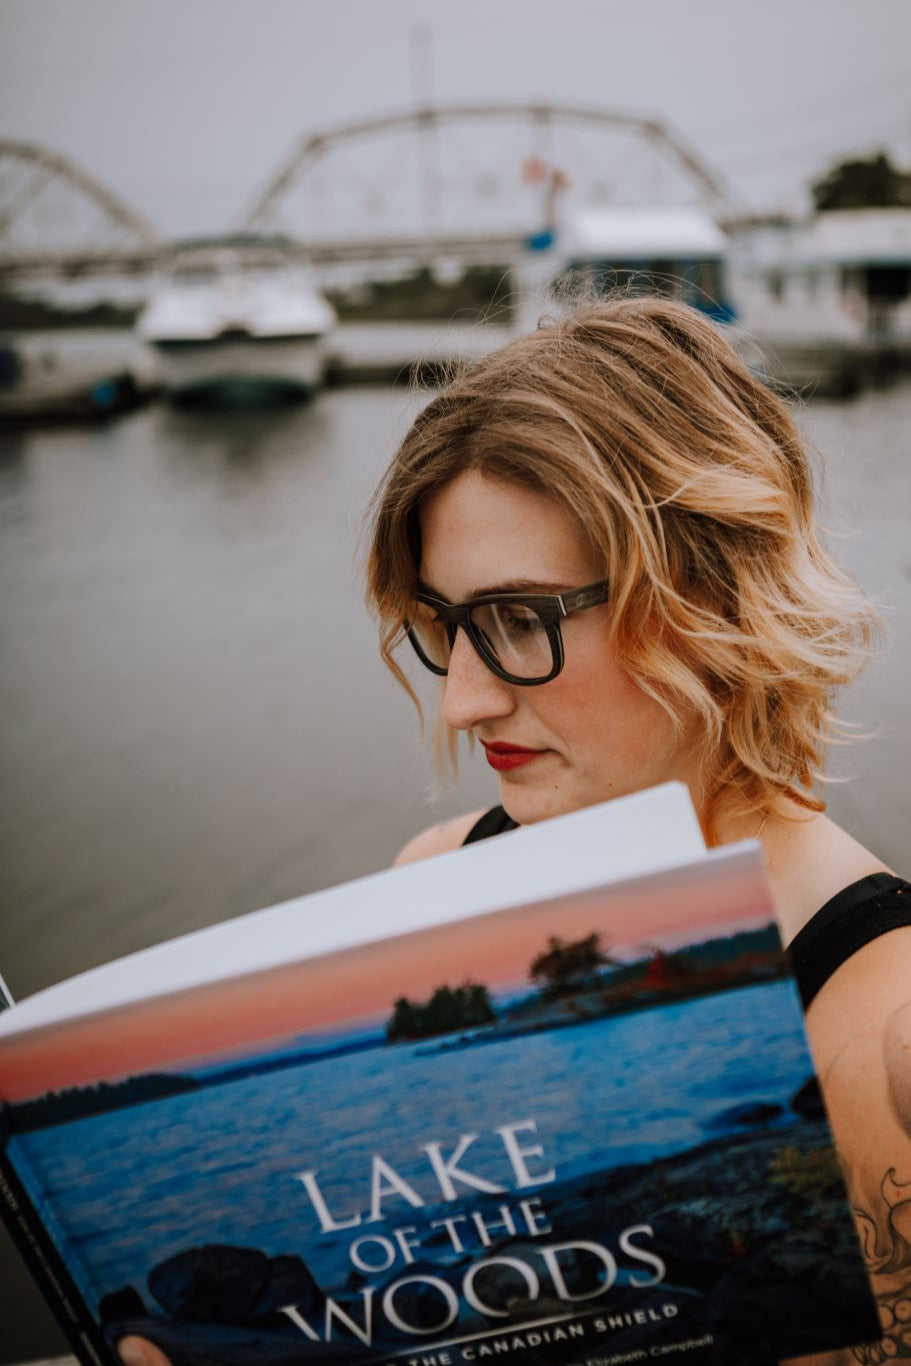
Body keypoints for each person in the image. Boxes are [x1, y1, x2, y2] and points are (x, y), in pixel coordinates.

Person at [120, 299, 909, 1366]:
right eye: (445, 627)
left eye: (517, 620)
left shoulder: (882, 1024)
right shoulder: (442, 875)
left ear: (705, 593)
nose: (463, 701)